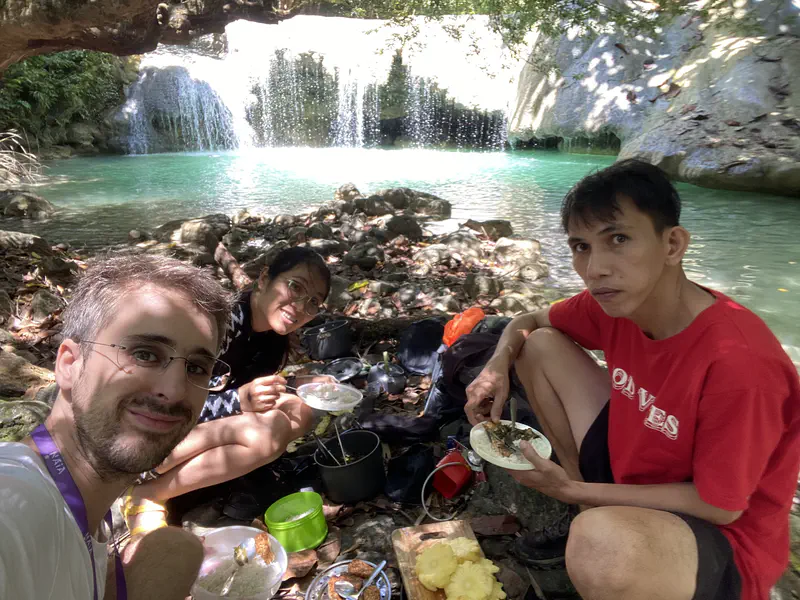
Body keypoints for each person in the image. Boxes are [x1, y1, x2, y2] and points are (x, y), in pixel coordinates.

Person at [465, 159, 800, 600]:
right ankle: (586, 505)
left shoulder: (740, 364)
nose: (595, 268)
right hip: (633, 467)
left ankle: (590, 511)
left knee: (600, 547)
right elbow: (527, 320)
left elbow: (720, 506)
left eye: (618, 239)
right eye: (581, 246)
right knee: (539, 345)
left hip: (720, 538)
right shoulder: (617, 302)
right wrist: (498, 362)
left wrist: (569, 488)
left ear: (673, 244)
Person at [0, 254, 236, 600]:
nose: (173, 391)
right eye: (144, 354)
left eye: (197, 367)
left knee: (177, 549)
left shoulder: (80, 502)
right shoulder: (16, 507)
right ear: (69, 364)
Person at [125, 246, 334, 532]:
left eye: (313, 302)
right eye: (295, 287)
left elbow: (237, 384)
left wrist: (298, 384)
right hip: (151, 437)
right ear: (264, 279)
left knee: (300, 411)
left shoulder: (270, 337)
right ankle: (149, 493)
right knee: (265, 432)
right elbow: (169, 399)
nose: (300, 306)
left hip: (190, 434)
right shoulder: (221, 323)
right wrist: (238, 401)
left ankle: (218, 477)